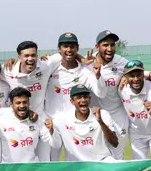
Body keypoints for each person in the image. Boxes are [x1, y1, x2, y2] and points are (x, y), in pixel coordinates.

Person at [45, 32, 105, 160]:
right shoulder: (51, 68)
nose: (69, 50)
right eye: (65, 46)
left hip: (73, 124)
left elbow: (101, 93)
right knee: (51, 162)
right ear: (59, 49)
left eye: (72, 46)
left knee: (75, 161)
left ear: (77, 48)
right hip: (53, 122)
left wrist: (98, 76)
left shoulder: (85, 72)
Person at [2, 41, 62, 161]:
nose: (30, 59)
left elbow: (67, 52)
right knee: (18, 158)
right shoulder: (7, 70)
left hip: (40, 119)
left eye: (33, 55)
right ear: (19, 57)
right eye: (26, 56)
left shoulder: (45, 65)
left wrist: (84, 59)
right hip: (18, 123)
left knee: (44, 160)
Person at [0, 87, 57, 163]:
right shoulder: (1, 121)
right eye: (18, 103)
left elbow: (55, 144)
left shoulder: (37, 121)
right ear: (11, 105)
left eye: (25, 102)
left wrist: (52, 130)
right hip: (8, 170)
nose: (22, 106)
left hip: (32, 168)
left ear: (29, 103)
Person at [90, 30, 131, 160]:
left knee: (118, 156)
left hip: (117, 116)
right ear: (97, 47)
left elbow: (139, 72)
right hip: (96, 117)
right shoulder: (87, 63)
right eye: (105, 45)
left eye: (112, 45)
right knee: (96, 156)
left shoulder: (121, 62)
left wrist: (127, 76)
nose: (109, 49)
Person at [50, 84, 118, 161]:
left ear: (90, 98)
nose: (83, 100)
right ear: (72, 101)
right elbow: (56, 146)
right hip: (76, 165)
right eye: (78, 97)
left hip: (101, 161)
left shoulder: (103, 114)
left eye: (85, 96)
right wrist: (52, 131)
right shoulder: (61, 119)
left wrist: (100, 121)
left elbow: (114, 143)